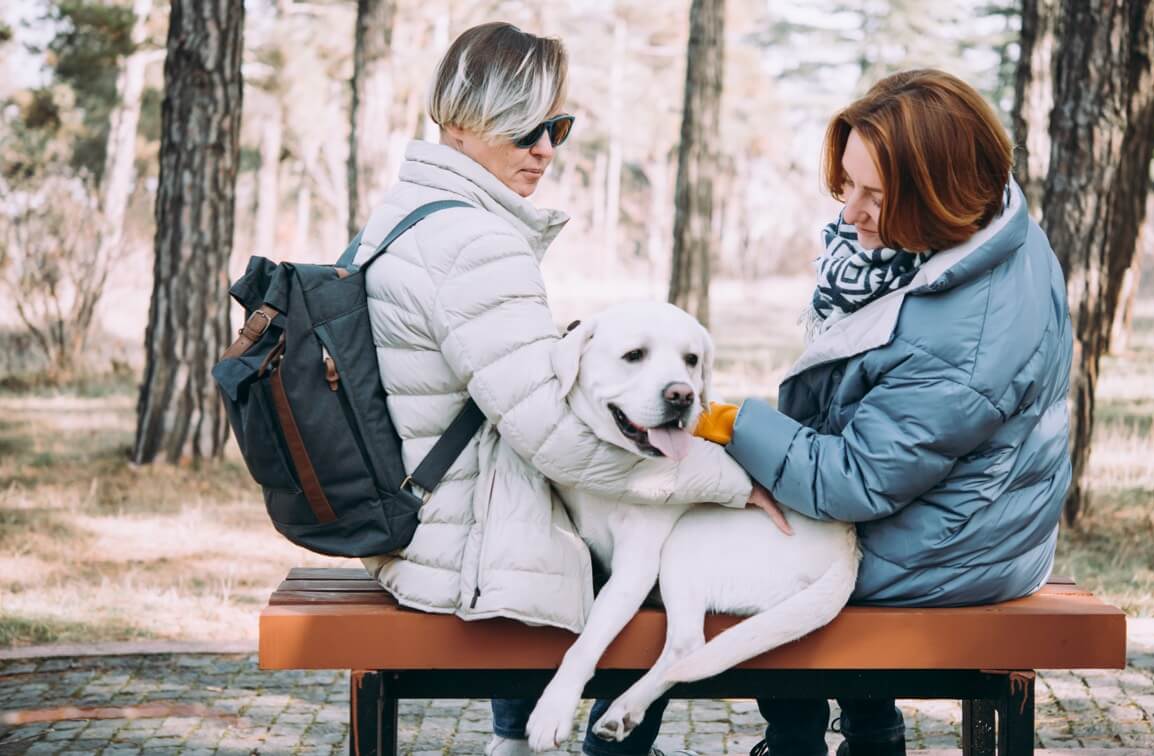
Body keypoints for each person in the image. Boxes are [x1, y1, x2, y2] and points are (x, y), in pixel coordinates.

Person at [350, 21, 769, 756]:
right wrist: (727, 482)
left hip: (415, 518)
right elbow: (553, 439)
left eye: (559, 126)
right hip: (459, 549)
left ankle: (516, 738)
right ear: (460, 119)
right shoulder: (474, 242)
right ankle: (609, 746)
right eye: (526, 127)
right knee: (652, 554)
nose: (546, 147)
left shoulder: (402, 214)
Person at [690, 69, 1071, 755]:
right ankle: (870, 730)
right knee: (770, 512)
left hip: (956, 548)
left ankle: (794, 741)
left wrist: (727, 422)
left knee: (748, 550)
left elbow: (854, 483)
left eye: (874, 194)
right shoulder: (982, 233)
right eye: (846, 184)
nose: (848, 211)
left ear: (938, 193)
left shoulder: (967, 335)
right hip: (968, 515)